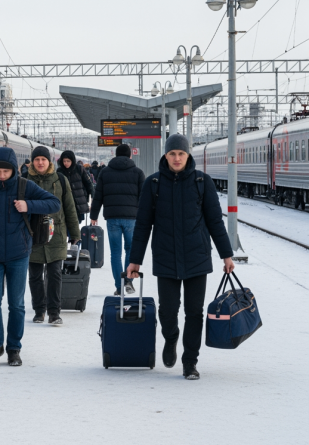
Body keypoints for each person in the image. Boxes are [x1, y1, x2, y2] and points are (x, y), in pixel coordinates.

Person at [127, 134, 235, 381]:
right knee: (167, 311)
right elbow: (143, 225)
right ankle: (171, 337)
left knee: (194, 312)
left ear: (188, 156)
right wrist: (135, 260)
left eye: (181, 154)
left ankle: (190, 362)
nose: (177, 158)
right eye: (172, 154)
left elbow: (215, 221)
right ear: (166, 155)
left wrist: (226, 255)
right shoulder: (152, 184)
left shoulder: (202, 182)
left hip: (197, 256)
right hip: (165, 256)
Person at [0, 147, 61, 367]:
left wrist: (29, 205)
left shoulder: (25, 186)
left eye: (6, 172)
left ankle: (14, 348)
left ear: (14, 170)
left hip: (18, 253)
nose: (1, 175)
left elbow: (55, 203)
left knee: (16, 305)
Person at [25, 147, 80, 325]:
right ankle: (39, 310)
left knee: (55, 273)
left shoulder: (60, 180)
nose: (40, 162)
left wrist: (75, 233)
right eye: (37, 159)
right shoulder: (25, 180)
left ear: (49, 161)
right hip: (32, 235)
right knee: (34, 275)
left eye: (43, 159)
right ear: (32, 161)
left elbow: (69, 207)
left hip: (55, 233)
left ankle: (54, 312)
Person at [89, 144, 145, 296]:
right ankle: (128, 281)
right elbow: (143, 197)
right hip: (131, 218)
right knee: (130, 251)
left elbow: (98, 195)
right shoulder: (138, 172)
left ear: (115, 154)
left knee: (115, 253)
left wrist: (93, 215)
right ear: (130, 156)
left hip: (112, 218)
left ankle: (119, 287)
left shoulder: (105, 172)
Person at [57, 150, 94, 223]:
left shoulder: (79, 169)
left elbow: (88, 184)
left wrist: (92, 197)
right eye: (64, 161)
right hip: (66, 202)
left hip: (78, 203)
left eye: (68, 161)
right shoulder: (60, 171)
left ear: (72, 161)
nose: (66, 163)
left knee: (76, 224)